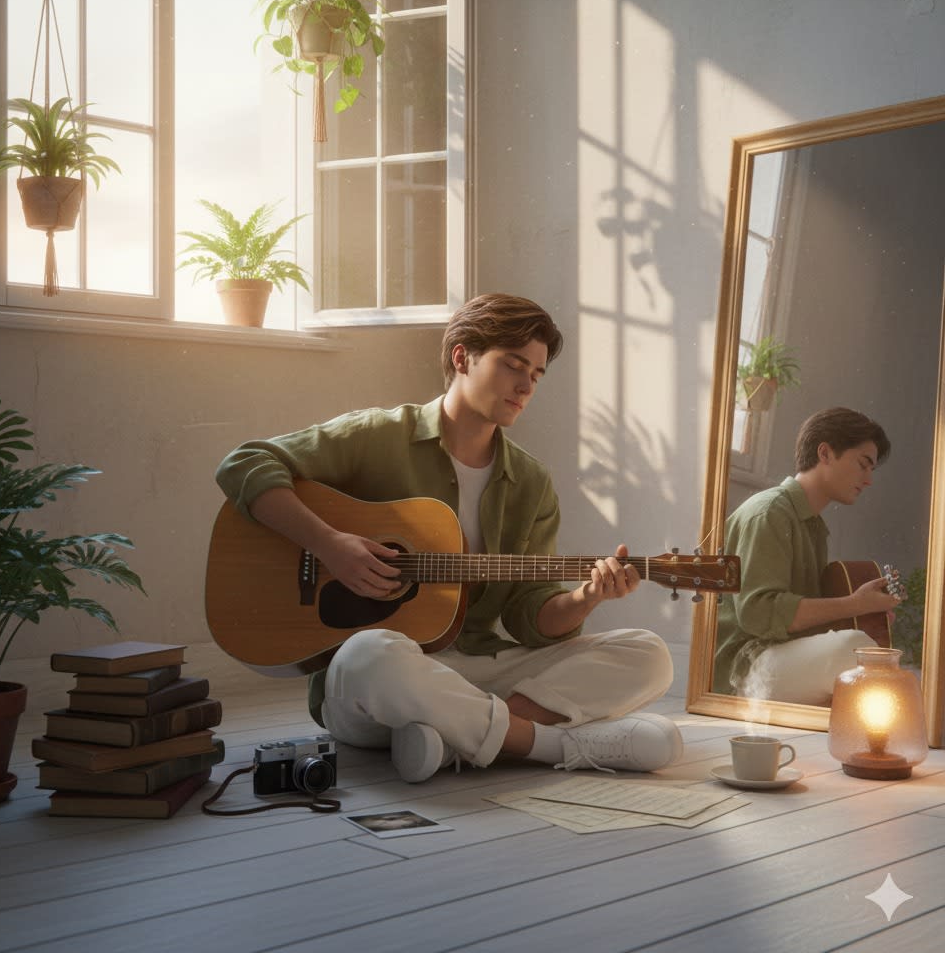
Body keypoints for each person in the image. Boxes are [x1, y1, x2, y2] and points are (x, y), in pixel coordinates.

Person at [216, 293, 681, 783]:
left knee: (648, 653)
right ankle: (547, 745)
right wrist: (330, 543)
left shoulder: (530, 482)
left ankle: (451, 734)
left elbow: (528, 617)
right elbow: (243, 463)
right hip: (380, 683)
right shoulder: (379, 435)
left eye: (537, 374)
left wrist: (585, 598)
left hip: (476, 668)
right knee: (369, 654)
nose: (526, 385)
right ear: (463, 356)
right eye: (513, 365)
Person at [713, 407, 902, 705]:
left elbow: (799, 621)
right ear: (825, 453)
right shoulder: (769, 512)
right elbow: (759, 613)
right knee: (854, 649)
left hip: (777, 655)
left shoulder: (813, 527)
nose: (868, 480)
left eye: (871, 470)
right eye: (863, 465)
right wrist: (853, 604)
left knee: (867, 653)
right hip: (744, 667)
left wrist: (864, 611)